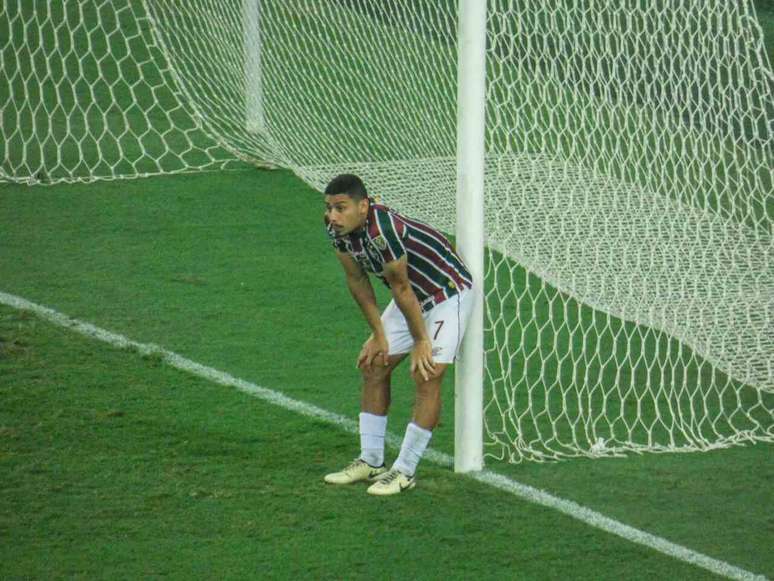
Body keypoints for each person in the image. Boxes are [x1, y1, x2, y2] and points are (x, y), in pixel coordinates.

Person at [322, 174, 475, 496]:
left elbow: (401, 285)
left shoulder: (384, 231)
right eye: (329, 208)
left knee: (427, 373)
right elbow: (357, 280)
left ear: (363, 206)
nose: (333, 216)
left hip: (447, 295)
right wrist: (378, 334)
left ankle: (404, 471)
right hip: (411, 296)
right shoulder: (338, 230)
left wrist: (422, 342)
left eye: (341, 207)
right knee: (374, 364)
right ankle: (371, 460)